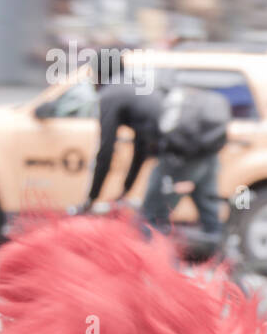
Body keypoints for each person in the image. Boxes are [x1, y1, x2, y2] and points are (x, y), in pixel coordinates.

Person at [139, 83, 230, 248]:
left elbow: (152, 137)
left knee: (154, 212)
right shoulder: (188, 101)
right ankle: (218, 256)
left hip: (180, 160)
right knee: (209, 210)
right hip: (207, 155)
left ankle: (151, 253)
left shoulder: (156, 100)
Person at [81, 61, 163, 213]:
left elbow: (105, 151)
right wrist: (125, 192)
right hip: (180, 143)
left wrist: (92, 199)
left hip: (175, 148)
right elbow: (141, 148)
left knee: (153, 215)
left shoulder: (110, 94)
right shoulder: (134, 86)